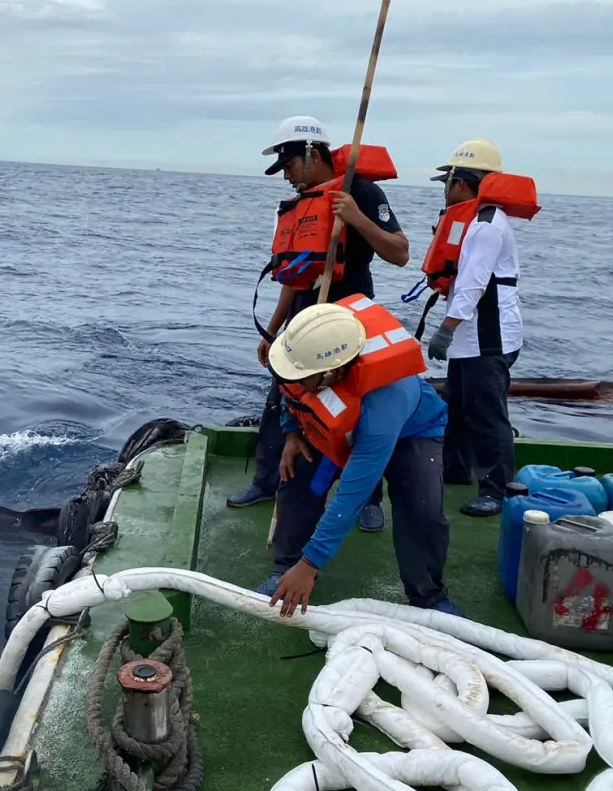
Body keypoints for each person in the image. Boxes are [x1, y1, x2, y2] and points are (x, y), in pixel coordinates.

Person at [229, 115, 410, 533]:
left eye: (289, 167)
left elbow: (400, 253)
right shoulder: (301, 205)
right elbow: (293, 276)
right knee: (282, 400)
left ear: (311, 155)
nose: (287, 178)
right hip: (302, 323)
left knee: (358, 407)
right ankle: (267, 480)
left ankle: (368, 496)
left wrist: (357, 218)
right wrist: (273, 331)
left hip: (349, 321)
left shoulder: (361, 192)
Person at [259, 294, 463, 618]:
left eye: (302, 377)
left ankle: (428, 596)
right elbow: (292, 391)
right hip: (336, 428)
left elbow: (352, 490)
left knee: (423, 508)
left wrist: (312, 563)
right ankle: (286, 567)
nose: (293, 380)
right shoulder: (305, 355)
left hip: (412, 433)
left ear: (331, 373)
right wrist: (292, 433)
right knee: (297, 474)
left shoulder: (385, 402)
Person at [421, 139, 539, 517]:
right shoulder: (476, 220)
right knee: (457, 406)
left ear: (462, 181)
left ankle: (498, 488)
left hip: (488, 338)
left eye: (447, 180)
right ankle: (456, 468)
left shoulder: (487, 224)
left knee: (488, 415)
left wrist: (445, 328)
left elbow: (473, 283)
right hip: (469, 340)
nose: (445, 188)